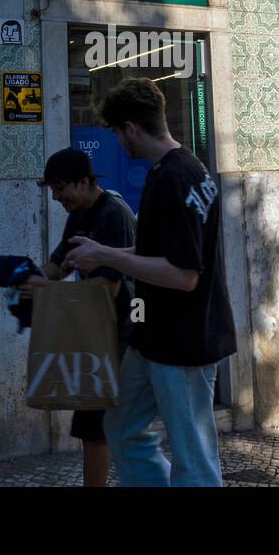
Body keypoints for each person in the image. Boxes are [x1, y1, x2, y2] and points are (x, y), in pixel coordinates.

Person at [63, 78, 237, 486]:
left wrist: (105, 255)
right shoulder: (178, 169)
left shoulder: (177, 178)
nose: (120, 143)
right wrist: (102, 251)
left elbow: (183, 276)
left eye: (118, 133)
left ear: (131, 128)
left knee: (193, 456)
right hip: (152, 338)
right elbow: (154, 258)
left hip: (185, 341)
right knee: (121, 427)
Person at [21, 148, 135, 487]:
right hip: (92, 333)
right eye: (53, 190)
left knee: (100, 427)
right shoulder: (79, 214)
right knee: (93, 427)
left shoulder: (114, 215)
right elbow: (59, 264)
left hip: (119, 336)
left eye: (60, 188)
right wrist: (33, 280)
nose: (57, 197)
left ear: (84, 182)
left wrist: (52, 296)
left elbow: (109, 287)